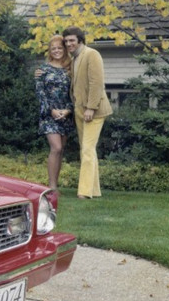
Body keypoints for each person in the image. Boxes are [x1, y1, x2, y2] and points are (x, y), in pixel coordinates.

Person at [63, 26, 113, 199]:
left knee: (87, 149)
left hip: (95, 110)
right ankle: (95, 190)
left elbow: (96, 83)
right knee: (88, 149)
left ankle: (84, 192)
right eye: (66, 41)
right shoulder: (74, 59)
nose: (68, 43)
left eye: (72, 40)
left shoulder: (92, 54)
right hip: (79, 109)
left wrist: (91, 108)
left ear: (80, 40)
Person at [35, 35, 74, 190]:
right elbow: (40, 93)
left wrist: (68, 110)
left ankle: (55, 184)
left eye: (59, 48)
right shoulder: (42, 70)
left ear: (64, 49)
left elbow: (75, 92)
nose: (57, 51)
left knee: (61, 150)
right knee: (55, 148)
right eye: (54, 48)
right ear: (49, 51)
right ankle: (51, 187)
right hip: (49, 115)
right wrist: (51, 110)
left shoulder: (70, 68)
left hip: (66, 114)